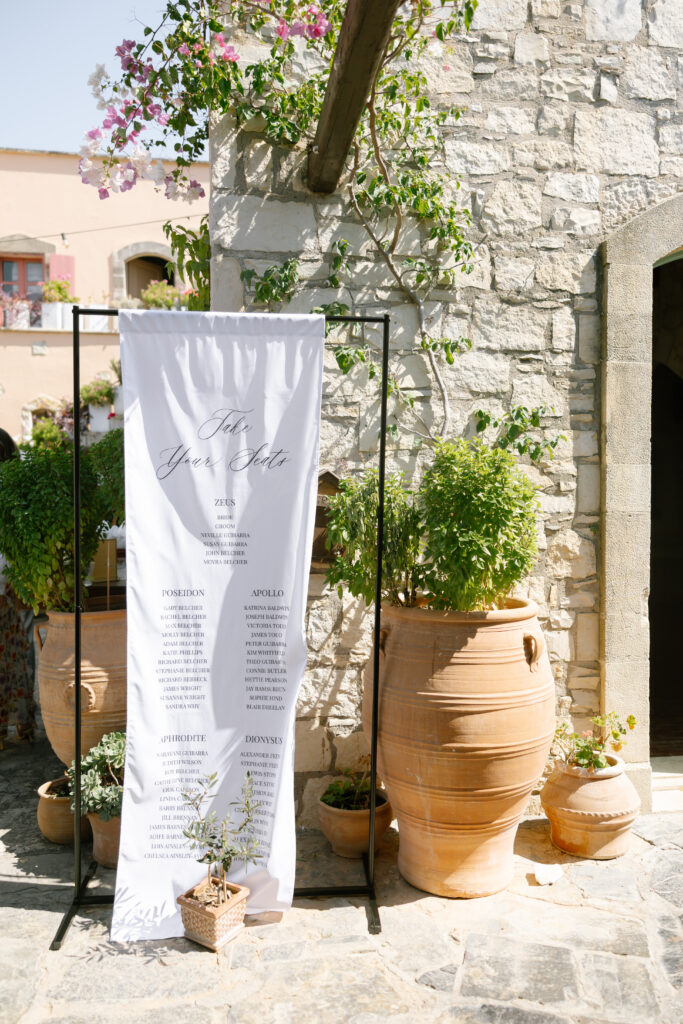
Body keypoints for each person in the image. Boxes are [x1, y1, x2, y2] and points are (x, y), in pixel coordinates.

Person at [0, 428, 36, 746]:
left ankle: (18, 724)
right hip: (14, 581)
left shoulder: (15, 490)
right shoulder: (18, 488)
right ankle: (23, 723)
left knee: (17, 654)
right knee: (20, 653)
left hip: (12, 583)